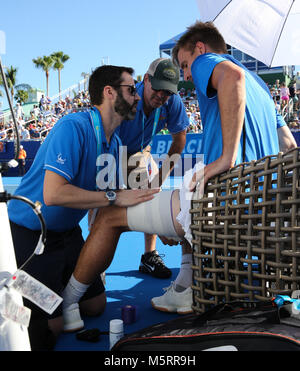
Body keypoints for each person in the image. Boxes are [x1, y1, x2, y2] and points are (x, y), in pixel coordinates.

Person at [61, 21, 297, 328]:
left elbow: (233, 76)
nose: (186, 75)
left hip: (223, 204)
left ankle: (66, 301)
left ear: (199, 48)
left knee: (110, 217)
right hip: (259, 215)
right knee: (186, 188)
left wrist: (226, 158)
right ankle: (184, 284)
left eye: (184, 65)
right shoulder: (263, 88)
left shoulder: (209, 63)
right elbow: (290, 146)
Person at [7, 65, 159, 350]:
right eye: (131, 89)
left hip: (67, 233)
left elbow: (111, 205)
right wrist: (115, 196)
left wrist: (156, 221)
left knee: (96, 306)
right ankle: (23, 287)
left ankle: (51, 290)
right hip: (31, 233)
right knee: (50, 328)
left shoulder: (113, 143)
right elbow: (53, 194)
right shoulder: (73, 127)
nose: (138, 96)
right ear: (109, 92)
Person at [117, 58, 189, 279]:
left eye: (167, 92)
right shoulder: (124, 98)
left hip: (139, 151)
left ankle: (149, 256)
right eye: (157, 89)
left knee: (151, 197)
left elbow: (179, 142)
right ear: (146, 79)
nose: (161, 96)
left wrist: (157, 182)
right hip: (109, 149)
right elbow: (105, 136)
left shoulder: (172, 102)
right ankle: (96, 266)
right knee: (103, 204)